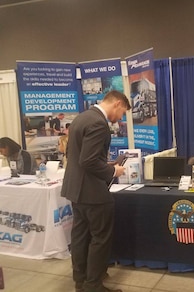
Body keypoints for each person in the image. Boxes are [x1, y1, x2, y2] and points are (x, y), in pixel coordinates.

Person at [61, 91, 131, 292]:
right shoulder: (99, 123)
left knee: (80, 236)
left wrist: (104, 163)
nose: (120, 118)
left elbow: (78, 155)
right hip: (93, 192)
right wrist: (112, 170)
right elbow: (88, 160)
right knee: (100, 238)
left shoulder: (82, 118)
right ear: (117, 104)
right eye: (123, 113)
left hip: (76, 189)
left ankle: (81, 281)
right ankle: (93, 285)